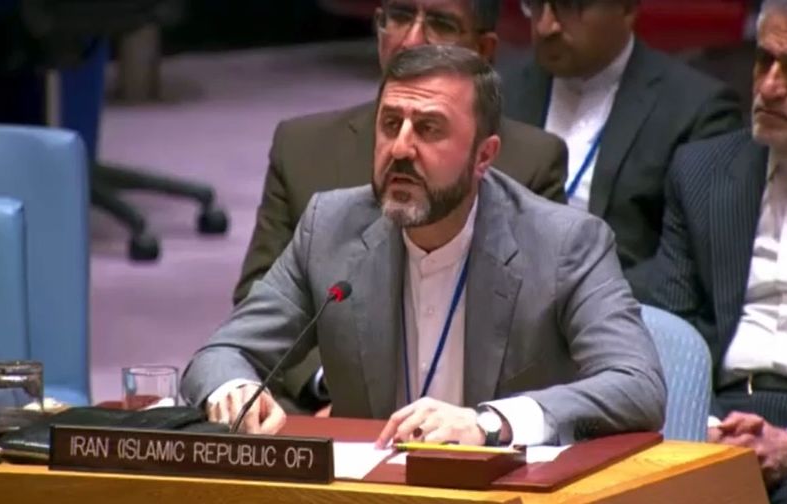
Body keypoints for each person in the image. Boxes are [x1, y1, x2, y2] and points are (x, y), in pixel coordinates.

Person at [182, 45, 665, 447]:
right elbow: (221, 353)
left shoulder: (564, 243)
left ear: (483, 156)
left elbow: (638, 385)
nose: (401, 148)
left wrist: (491, 423)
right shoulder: (330, 227)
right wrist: (235, 389)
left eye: (429, 128)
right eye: (390, 123)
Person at [234, 0, 569, 413]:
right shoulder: (302, 148)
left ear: (484, 49)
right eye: (400, 17)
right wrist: (337, 385)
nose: (412, 40)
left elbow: (537, 336)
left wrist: (488, 422)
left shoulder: (531, 162)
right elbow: (257, 305)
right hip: (324, 410)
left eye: (441, 23)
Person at [645, 0, 787, 501]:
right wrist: (704, 422)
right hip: (716, 411)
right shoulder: (701, 172)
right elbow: (674, 320)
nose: (769, 86)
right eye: (764, 60)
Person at [504, 0, 743, 293]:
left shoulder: (697, 110)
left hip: (616, 304)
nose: (545, 26)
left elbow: (689, 264)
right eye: (534, 4)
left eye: (567, 6)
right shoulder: (500, 87)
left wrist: (580, 298)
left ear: (627, 8)